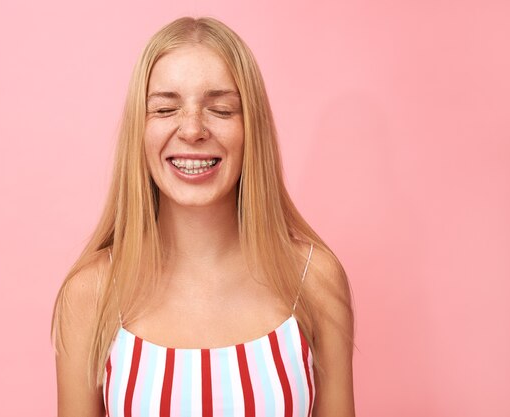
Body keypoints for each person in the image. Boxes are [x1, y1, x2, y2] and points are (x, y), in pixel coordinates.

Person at [51, 16, 355, 417]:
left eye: (221, 109)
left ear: (253, 130)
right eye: (164, 108)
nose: (192, 130)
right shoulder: (91, 294)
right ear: (138, 132)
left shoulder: (314, 280)